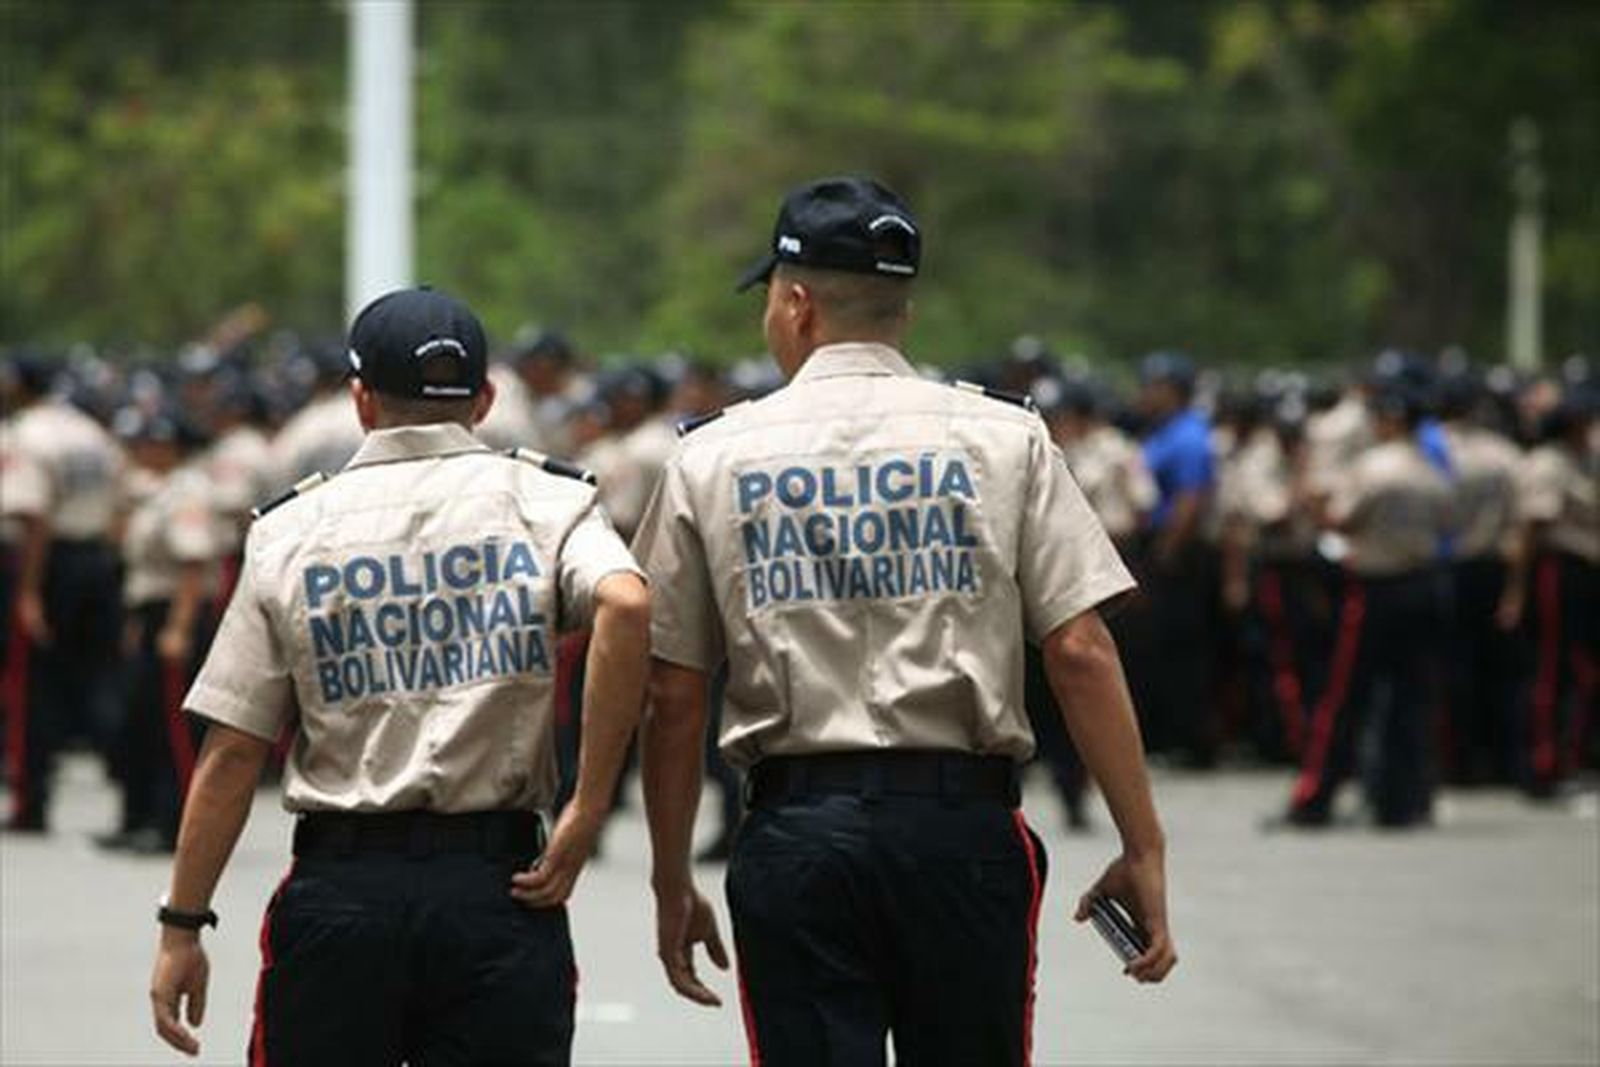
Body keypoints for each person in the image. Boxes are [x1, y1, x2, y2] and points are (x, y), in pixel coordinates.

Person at [632, 176, 1176, 1066]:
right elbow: (1079, 648)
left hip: (798, 839)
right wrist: (1141, 842)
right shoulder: (1006, 438)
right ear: (903, 312)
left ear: (797, 304)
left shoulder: (712, 455)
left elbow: (674, 687)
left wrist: (669, 876)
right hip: (963, 833)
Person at [148, 287, 651, 1066]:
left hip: (344, 890)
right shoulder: (549, 502)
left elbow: (233, 749)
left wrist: (184, 923)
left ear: (360, 400)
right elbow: (624, 600)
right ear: (484, 400)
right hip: (499, 886)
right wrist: (588, 805)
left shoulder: (291, 530)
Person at [1285, 382, 1454, 828]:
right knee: (1411, 698)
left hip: (1375, 589)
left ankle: (1315, 798)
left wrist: (1309, 487)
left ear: (1392, 419)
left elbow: (1338, 519)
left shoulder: (1373, 469)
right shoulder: (1433, 470)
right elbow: (1446, 523)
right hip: (1423, 583)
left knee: (1343, 697)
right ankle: (1404, 801)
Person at [2, 352, 126, 832]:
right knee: (100, 677)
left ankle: (31, 801)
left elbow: (33, 517)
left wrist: (28, 592)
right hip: (96, 559)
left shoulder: (25, 433)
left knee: (33, 685)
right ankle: (132, 785)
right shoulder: (90, 431)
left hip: (49, 564)